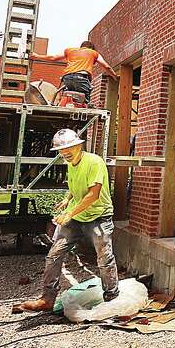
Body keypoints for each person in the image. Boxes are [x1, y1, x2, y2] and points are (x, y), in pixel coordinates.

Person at [15, 129, 118, 313]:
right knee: (54, 254)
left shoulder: (94, 162)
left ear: (79, 145)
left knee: (104, 257)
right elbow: (75, 185)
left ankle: (112, 297)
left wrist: (69, 214)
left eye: (69, 148)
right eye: (62, 150)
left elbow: (93, 194)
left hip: (98, 217)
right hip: (77, 216)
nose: (65, 153)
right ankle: (47, 299)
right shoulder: (70, 163)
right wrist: (67, 199)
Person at [30, 40, 113, 105]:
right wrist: (114, 76)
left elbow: (53, 58)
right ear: (91, 48)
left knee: (68, 98)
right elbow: (106, 66)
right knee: (85, 102)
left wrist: (37, 56)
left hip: (67, 78)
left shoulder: (70, 50)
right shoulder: (93, 53)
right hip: (81, 78)